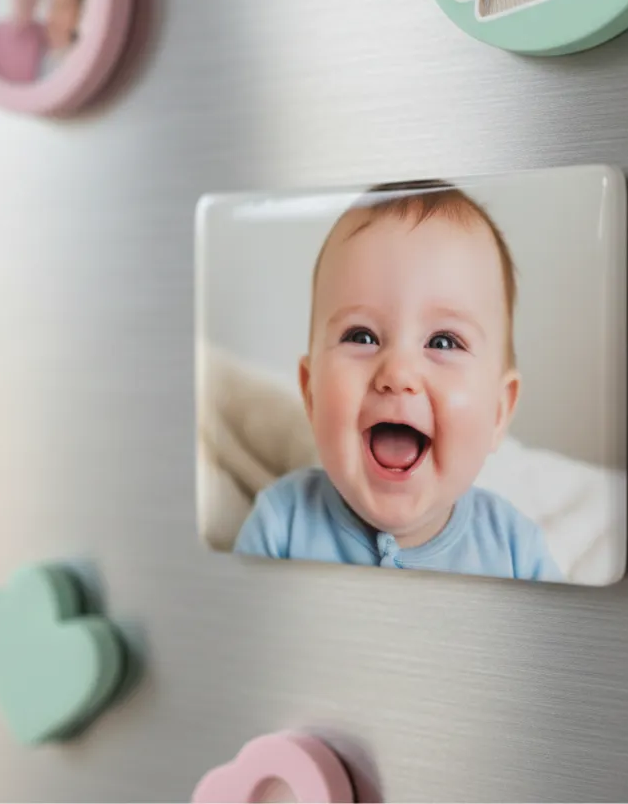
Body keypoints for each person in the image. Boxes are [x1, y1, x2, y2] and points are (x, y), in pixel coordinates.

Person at [233, 180, 564, 582]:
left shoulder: (515, 550)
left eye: (443, 341)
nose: (398, 374)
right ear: (311, 394)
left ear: (498, 413)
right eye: (362, 336)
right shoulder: (280, 524)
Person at [40, 0, 85, 78]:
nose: (55, 14)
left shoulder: (80, 61)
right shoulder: (42, 57)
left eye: (64, 6)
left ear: (78, 13)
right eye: (53, 4)